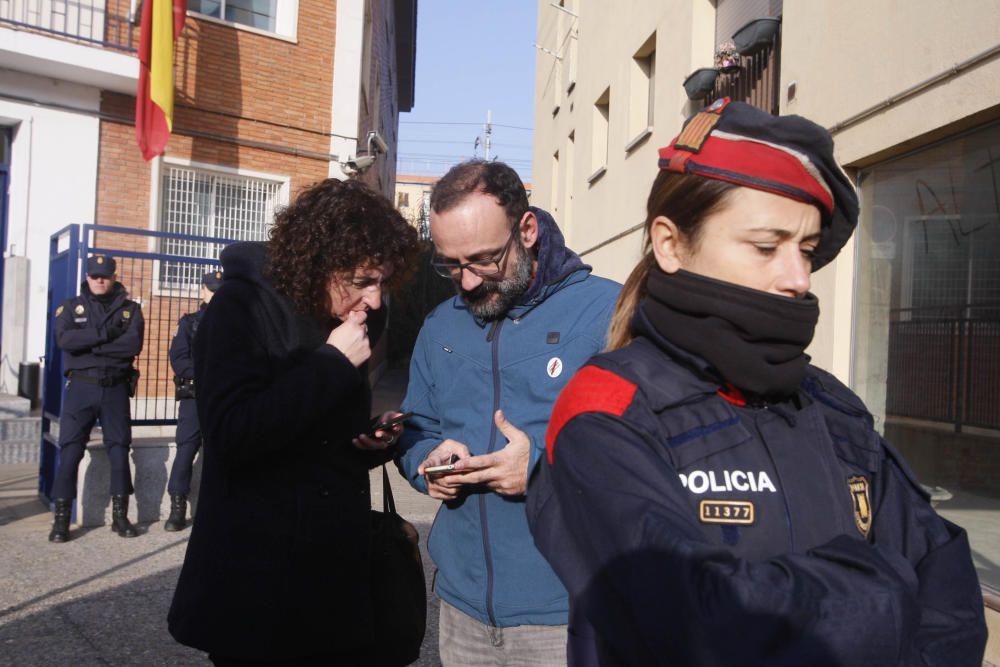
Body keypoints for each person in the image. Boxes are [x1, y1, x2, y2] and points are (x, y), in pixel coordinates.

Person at [527, 99, 988, 666]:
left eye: (807, 250)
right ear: (671, 244)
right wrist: (886, 591)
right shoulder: (607, 409)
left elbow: (948, 589)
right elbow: (698, 623)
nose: (798, 278)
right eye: (767, 247)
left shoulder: (832, 404)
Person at [167, 178, 420, 665]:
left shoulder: (355, 321)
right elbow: (233, 436)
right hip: (258, 585)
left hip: (335, 581)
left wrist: (368, 440)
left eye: (384, 282)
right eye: (363, 281)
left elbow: (315, 438)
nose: (375, 300)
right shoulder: (240, 309)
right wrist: (329, 363)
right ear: (319, 263)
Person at [397, 159, 621, 665]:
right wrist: (426, 461)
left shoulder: (608, 312)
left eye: (482, 259)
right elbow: (416, 425)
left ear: (527, 229)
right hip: (461, 612)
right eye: (450, 264)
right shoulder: (439, 326)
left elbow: (655, 448)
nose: (468, 282)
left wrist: (543, 468)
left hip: (566, 613)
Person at [48, 254, 145, 542]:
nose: (99, 280)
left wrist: (90, 344)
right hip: (81, 388)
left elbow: (131, 346)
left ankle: (120, 517)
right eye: (94, 275)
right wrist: (105, 334)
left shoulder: (130, 310)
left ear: (114, 276)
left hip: (115, 388)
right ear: (87, 277)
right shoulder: (70, 307)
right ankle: (61, 520)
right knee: (70, 452)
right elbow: (65, 341)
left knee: (119, 450)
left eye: (104, 275)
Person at [164, 270, 223, 531]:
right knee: (186, 449)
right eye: (212, 289)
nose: (216, 294)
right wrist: (209, 375)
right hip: (195, 396)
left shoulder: (237, 324)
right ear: (203, 291)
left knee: (219, 454)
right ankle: (178, 508)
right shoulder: (189, 323)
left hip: (223, 398)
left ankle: (214, 508)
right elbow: (179, 359)